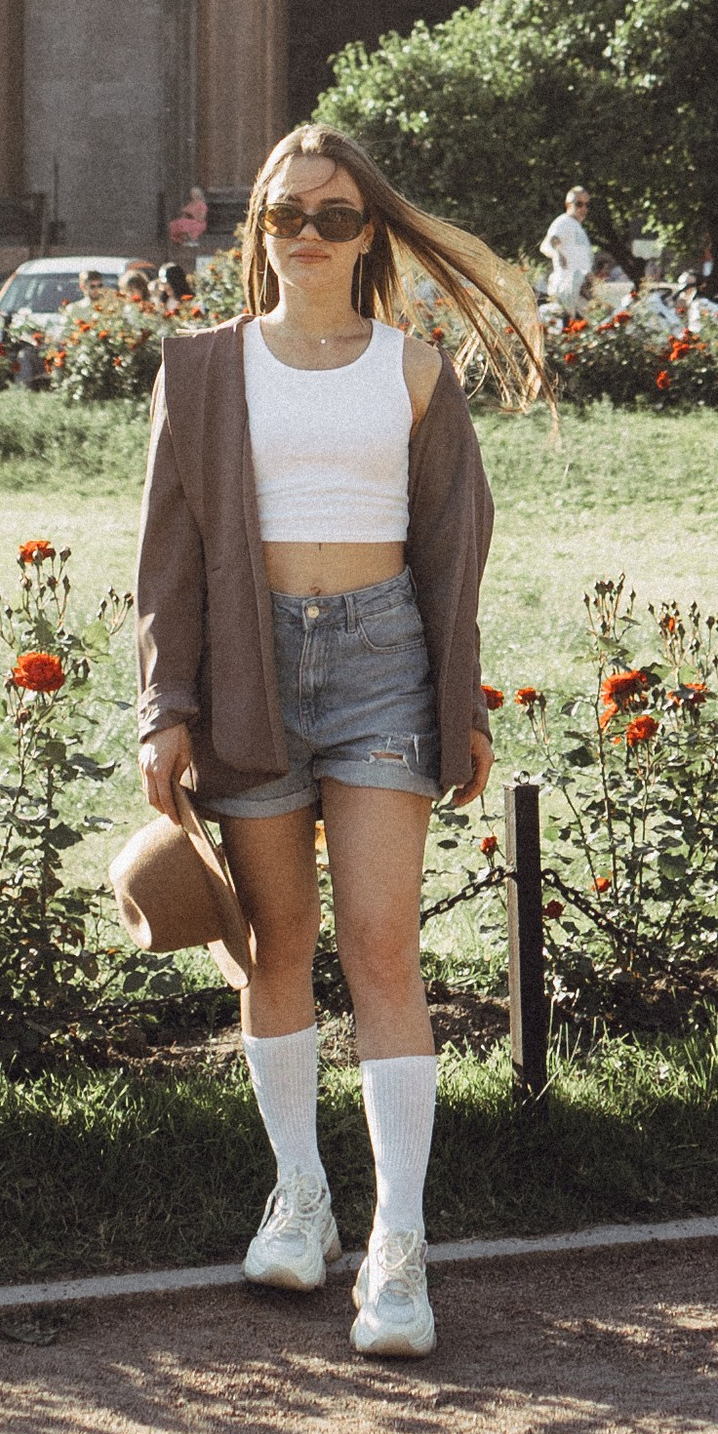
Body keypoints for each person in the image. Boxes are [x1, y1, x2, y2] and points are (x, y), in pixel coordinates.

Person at [136, 123, 544, 1362]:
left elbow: (452, 554)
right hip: (249, 669)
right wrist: (166, 707)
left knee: (380, 946)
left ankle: (400, 1247)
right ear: (253, 229)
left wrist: (459, 701)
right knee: (277, 943)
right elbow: (166, 560)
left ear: (370, 233)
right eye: (283, 214)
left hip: (380, 665)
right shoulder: (201, 369)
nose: (306, 235)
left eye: (332, 216)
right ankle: (300, 1198)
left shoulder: (414, 370)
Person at [539, 188, 596, 310]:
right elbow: (547, 244)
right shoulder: (564, 222)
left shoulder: (577, 227)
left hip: (579, 289)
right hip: (566, 287)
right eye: (579, 204)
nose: (584, 209)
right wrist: (558, 253)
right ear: (568, 204)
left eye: (587, 205)